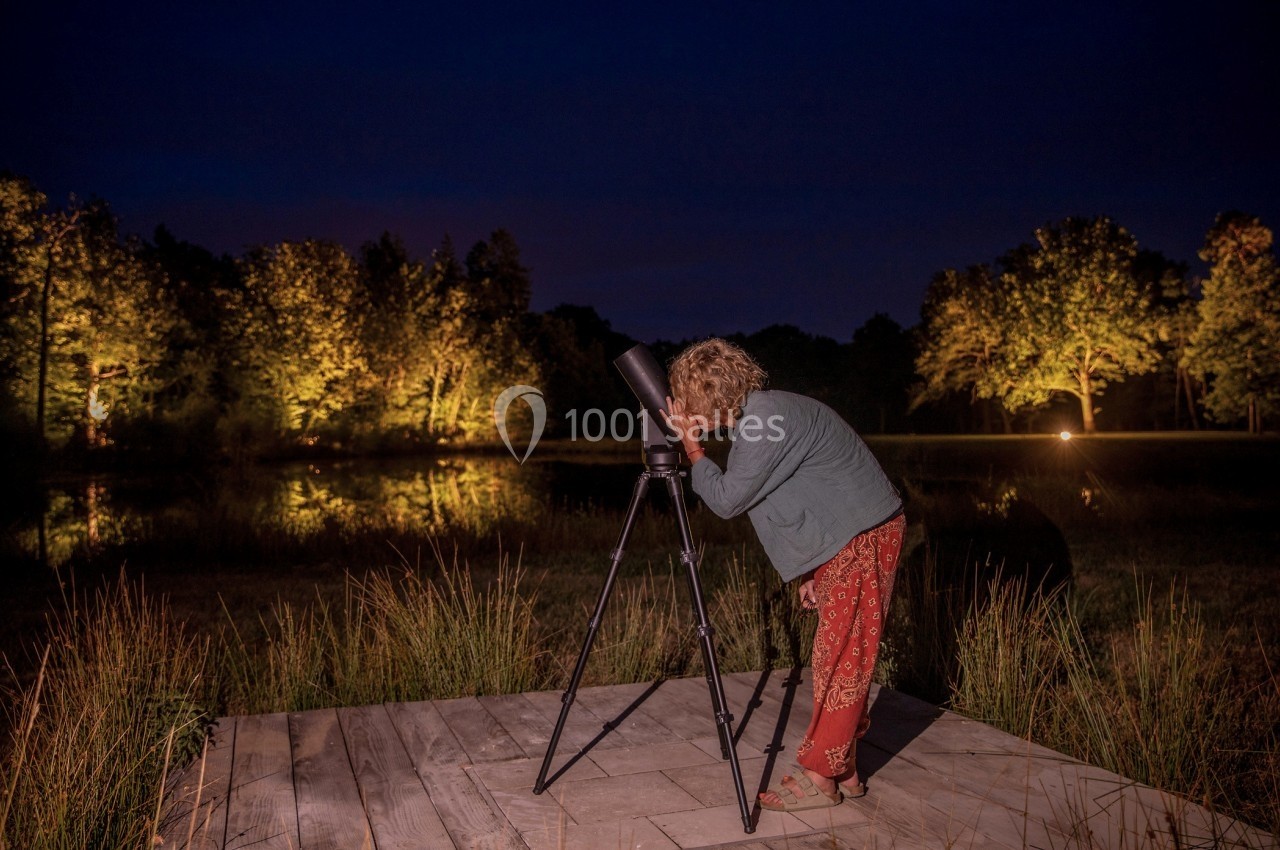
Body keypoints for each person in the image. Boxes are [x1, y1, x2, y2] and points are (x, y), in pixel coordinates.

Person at [660, 337, 905, 812]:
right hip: (851, 534)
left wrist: (693, 449)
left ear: (706, 396)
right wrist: (814, 568)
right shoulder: (764, 414)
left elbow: (729, 500)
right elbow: (798, 490)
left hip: (864, 534)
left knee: (843, 655)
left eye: (686, 400)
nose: (683, 410)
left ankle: (820, 778)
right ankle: (844, 768)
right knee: (839, 653)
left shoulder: (762, 423)